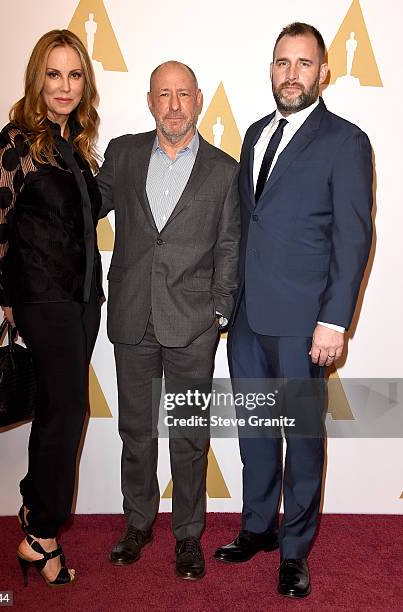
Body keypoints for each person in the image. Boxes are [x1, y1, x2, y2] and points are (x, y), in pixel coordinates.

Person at [214, 22, 373, 598]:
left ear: (323, 73)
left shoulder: (346, 141)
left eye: (303, 63)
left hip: (306, 323)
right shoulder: (255, 134)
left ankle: (296, 549)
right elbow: (246, 223)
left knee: (302, 437)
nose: (291, 73)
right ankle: (258, 527)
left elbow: (354, 239)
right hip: (250, 319)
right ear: (272, 69)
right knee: (256, 431)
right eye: (282, 62)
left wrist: (334, 321)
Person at [97, 60, 240, 580]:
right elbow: (85, 205)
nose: (174, 105)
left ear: (198, 99)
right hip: (132, 318)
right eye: (164, 94)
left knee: (188, 435)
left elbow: (229, 247)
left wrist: (218, 311)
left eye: (183, 94)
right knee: (136, 432)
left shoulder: (225, 171)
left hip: (192, 326)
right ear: (149, 100)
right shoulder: (123, 153)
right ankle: (137, 523)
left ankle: (187, 535)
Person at [0, 29, 103, 588]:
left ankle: (36, 520)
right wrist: (8, 296)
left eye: (75, 75)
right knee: (69, 410)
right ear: (37, 79)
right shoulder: (16, 143)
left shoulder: (73, 144)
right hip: (41, 296)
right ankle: (42, 533)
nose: (65, 86)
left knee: (59, 411)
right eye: (54, 74)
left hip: (83, 298)